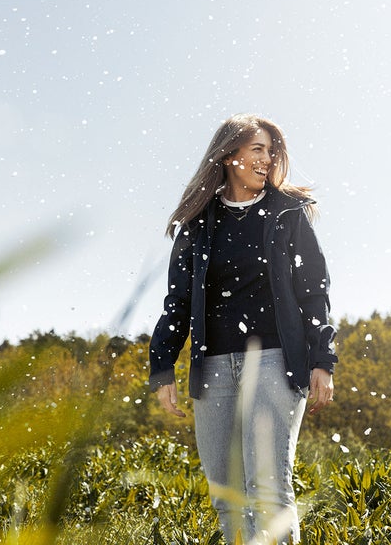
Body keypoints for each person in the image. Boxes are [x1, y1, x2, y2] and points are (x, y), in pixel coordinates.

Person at [149, 113, 337, 544]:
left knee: (268, 490)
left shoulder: (287, 214)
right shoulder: (199, 223)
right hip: (212, 369)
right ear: (228, 154)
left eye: (272, 151)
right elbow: (178, 302)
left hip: (275, 362)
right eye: (257, 149)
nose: (267, 159)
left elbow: (314, 292)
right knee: (227, 495)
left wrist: (322, 360)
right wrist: (162, 367)